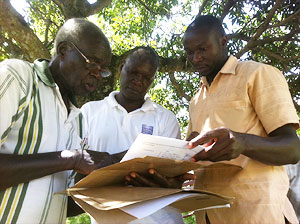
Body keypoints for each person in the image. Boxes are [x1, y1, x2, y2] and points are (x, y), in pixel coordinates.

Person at [0, 18, 125, 224]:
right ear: (64, 50)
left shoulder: (79, 120)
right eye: (92, 63)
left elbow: (61, 205)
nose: (97, 75)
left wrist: (114, 176)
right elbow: (71, 160)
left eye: (102, 69)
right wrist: (72, 159)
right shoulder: (18, 78)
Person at [183, 15, 300, 224]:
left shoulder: (258, 74)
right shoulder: (195, 100)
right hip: (208, 214)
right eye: (190, 52)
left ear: (223, 41)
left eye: (202, 49)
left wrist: (242, 142)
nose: (195, 58)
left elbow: (293, 149)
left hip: (257, 214)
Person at [80, 46, 185, 223]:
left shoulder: (166, 119)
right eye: (134, 72)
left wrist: (112, 164)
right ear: (121, 67)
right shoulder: (89, 112)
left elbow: (172, 177)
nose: (138, 81)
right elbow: (78, 167)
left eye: (146, 78)